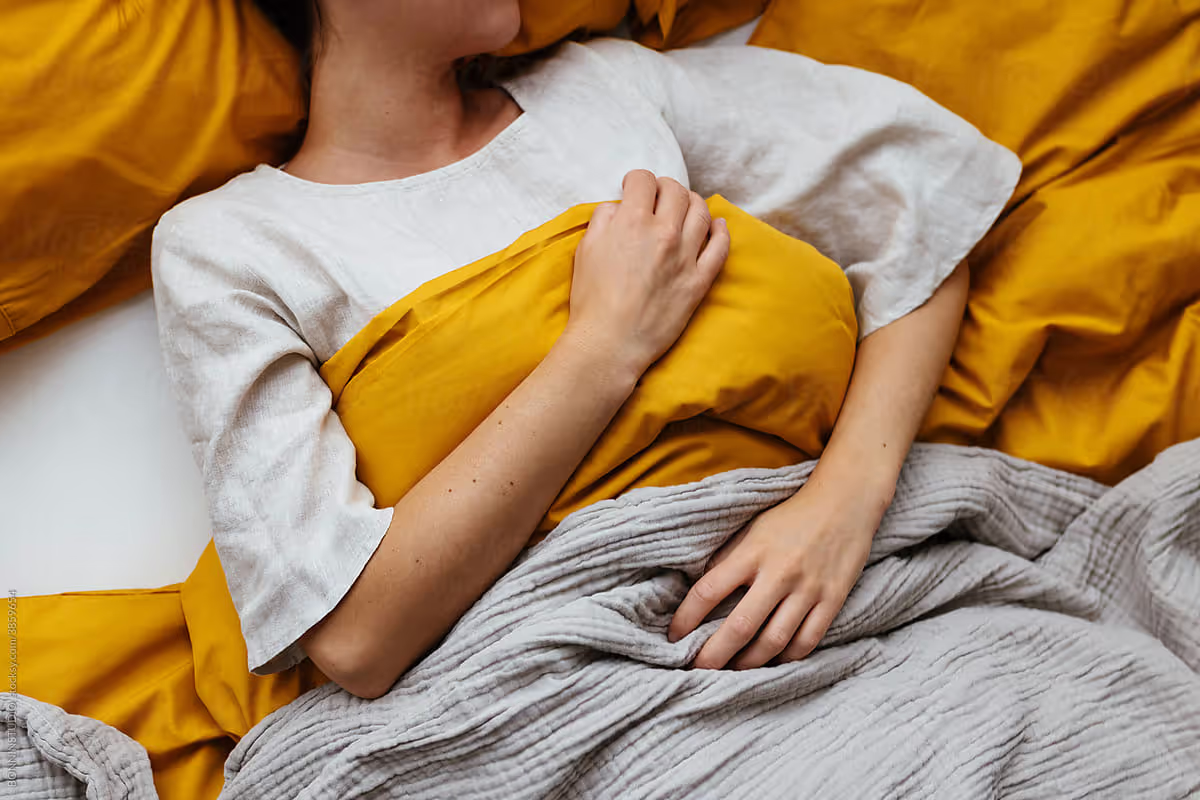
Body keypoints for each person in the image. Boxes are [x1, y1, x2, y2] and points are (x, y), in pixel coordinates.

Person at [150, 0, 1020, 700]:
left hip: (839, 606)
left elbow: (927, 211)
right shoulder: (231, 247)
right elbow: (356, 638)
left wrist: (841, 510)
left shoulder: (607, 94)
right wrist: (606, 345)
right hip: (543, 684)